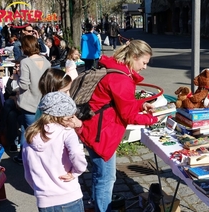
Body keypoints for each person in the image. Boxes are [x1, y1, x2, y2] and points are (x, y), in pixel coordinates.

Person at [79, 40, 160, 212]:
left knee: (98, 174)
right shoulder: (121, 79)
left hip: (92, 127)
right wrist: (153, 119)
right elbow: (128, 115)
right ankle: (103, 209)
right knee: (107, 178)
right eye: (144, 63)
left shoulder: (115, 69)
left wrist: (141, 105)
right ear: (134, 57)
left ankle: (96, 205)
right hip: (102, 134)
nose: (145, 67)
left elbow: (118, 104)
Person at [23, 91, 87, 212]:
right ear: (59, 116)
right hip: (69, 196)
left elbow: (28, 172)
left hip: (44, 201)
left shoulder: (29, 136)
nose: (73, 120)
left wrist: (39, 190)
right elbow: (77, 154)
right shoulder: (66, 132)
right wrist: (76, 172)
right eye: (69, 117)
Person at [14, 35, 51, 165]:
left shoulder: (26, 62)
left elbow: (24, 85)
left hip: (29, 103)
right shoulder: (46, 62)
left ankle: (33, 161)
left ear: (25, 47)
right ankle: (22, 156)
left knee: (32, 134)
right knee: (28, 130)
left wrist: (17, 76)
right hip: (43, 103)